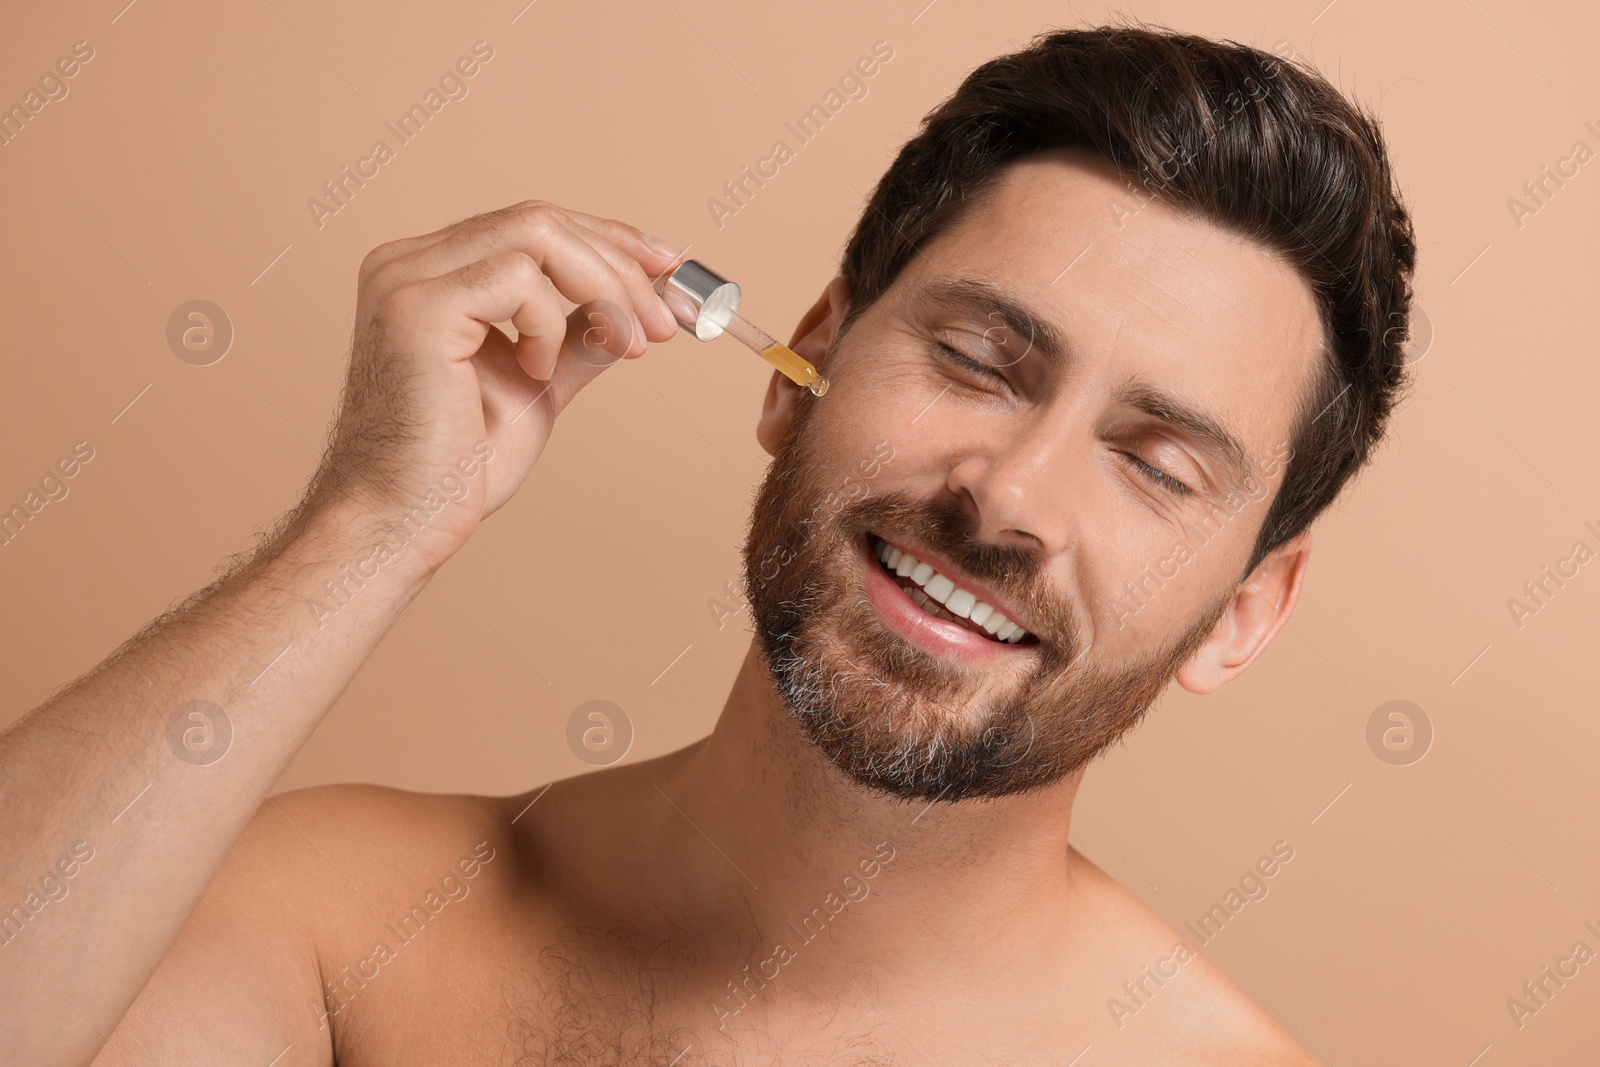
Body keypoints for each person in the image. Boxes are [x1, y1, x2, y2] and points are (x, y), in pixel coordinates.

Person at [2, 21, 1414, 1066]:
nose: (1011, 500)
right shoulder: (340, 929)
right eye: (981, 360)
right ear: (802, 359)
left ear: (1245, 614)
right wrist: (368, 527)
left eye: (1155, 465)